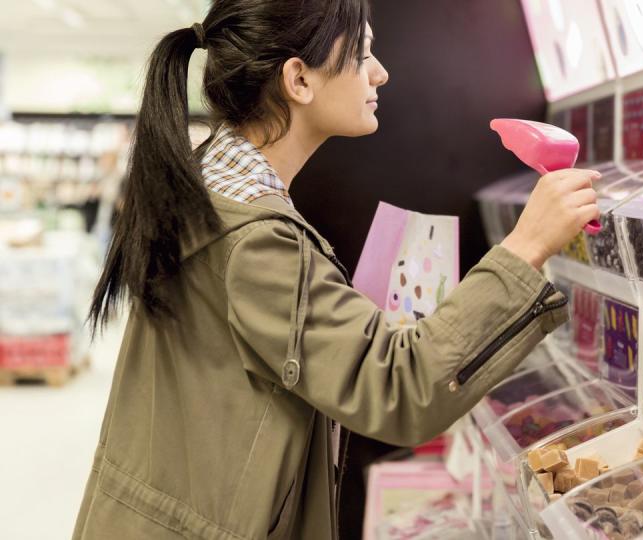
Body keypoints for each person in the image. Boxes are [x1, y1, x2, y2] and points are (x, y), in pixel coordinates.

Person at [73, 1, 599, 538]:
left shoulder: (208, 189)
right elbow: (398, 386)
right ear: (299, 79)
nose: (380, 72)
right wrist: (527, 245)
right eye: (363, 52)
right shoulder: (254, 241)